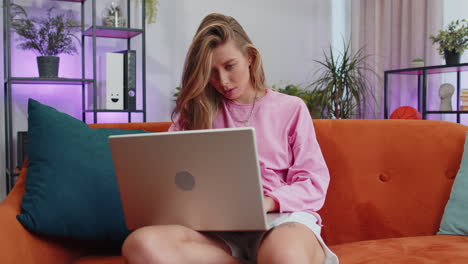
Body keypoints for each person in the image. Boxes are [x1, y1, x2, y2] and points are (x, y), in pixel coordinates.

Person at [122, 13, 339, 264]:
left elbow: (313, 181)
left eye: (229, 66)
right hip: (216, 232)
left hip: (280, 220)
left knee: (284, 256)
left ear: (250, 57)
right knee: (141, 244)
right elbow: (168, 177)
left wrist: (268, 202)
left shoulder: (290, 108)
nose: (222, 81)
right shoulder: (195, 112)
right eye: (211, 72)